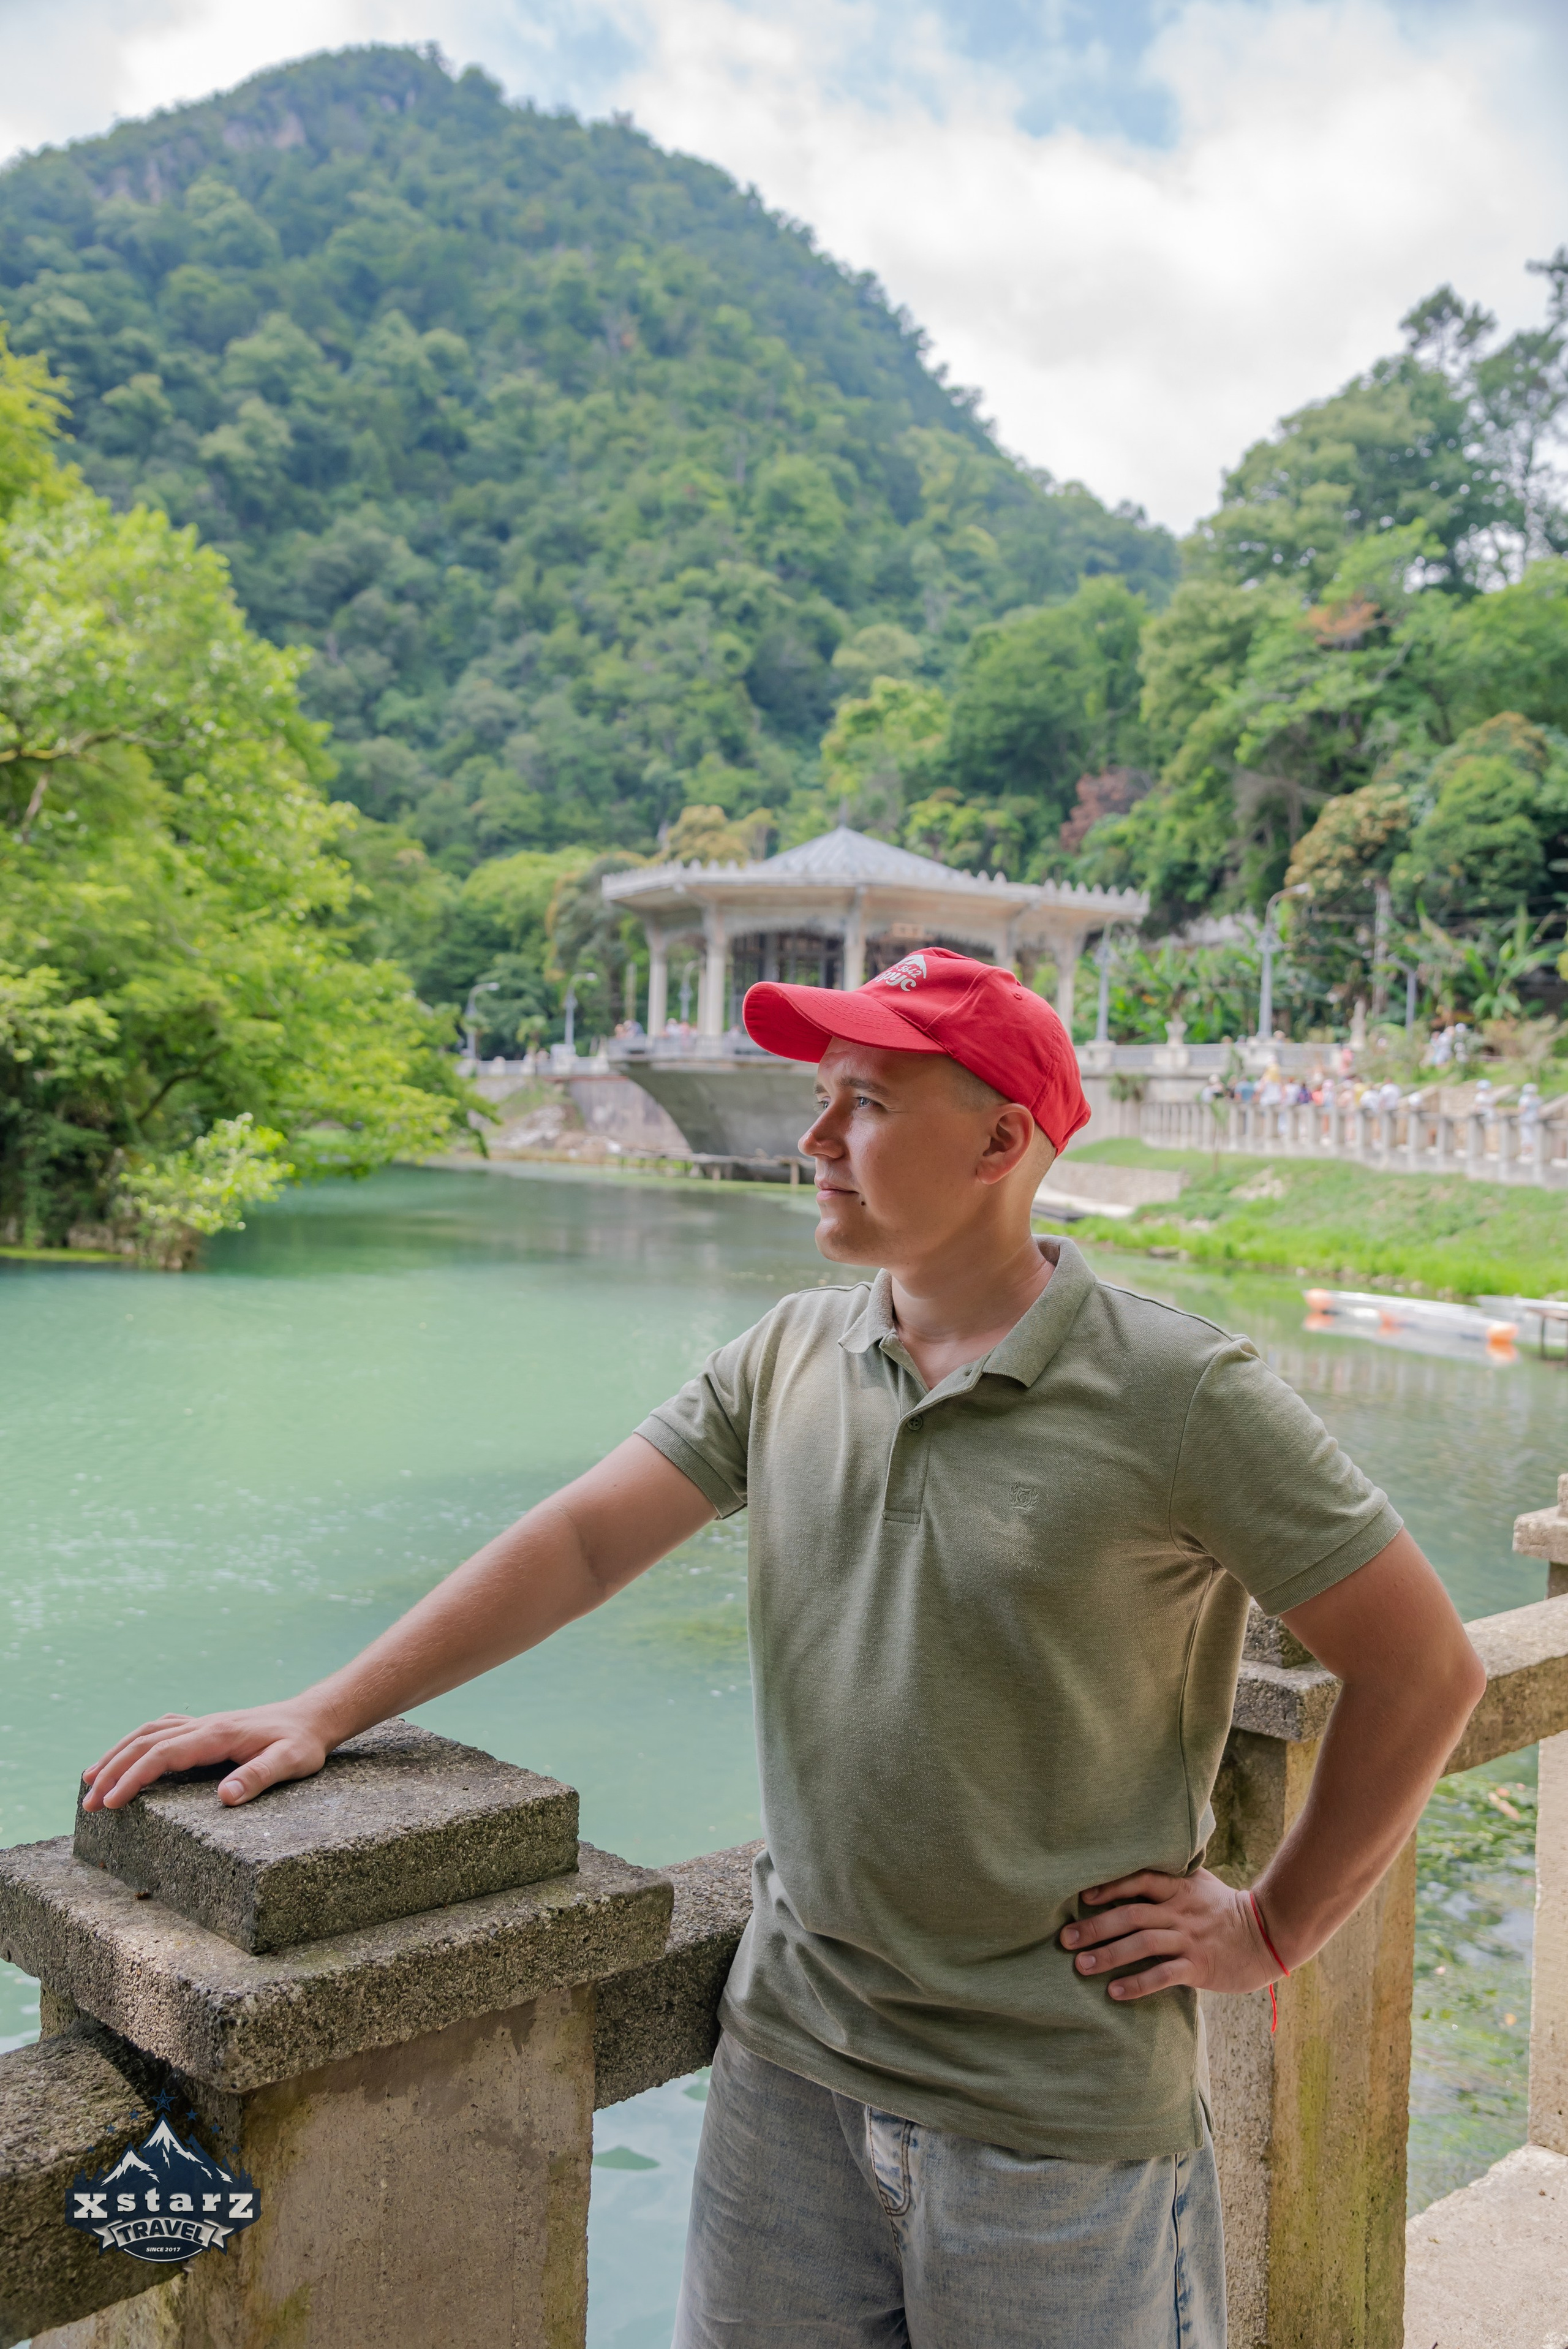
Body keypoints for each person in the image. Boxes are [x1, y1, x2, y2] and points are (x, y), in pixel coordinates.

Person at [83, 947, 1485, 2349]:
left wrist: (1271, 1926)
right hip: (788, 2074)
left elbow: (1421, 1666)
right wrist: (326, 1707)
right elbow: (580, 1543)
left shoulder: (1180, 1391)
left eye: (865, 1104)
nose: (810, 1139)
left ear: (1002, 1139)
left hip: (1053, 2121)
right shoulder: (787, 1355)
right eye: (819, 1097)